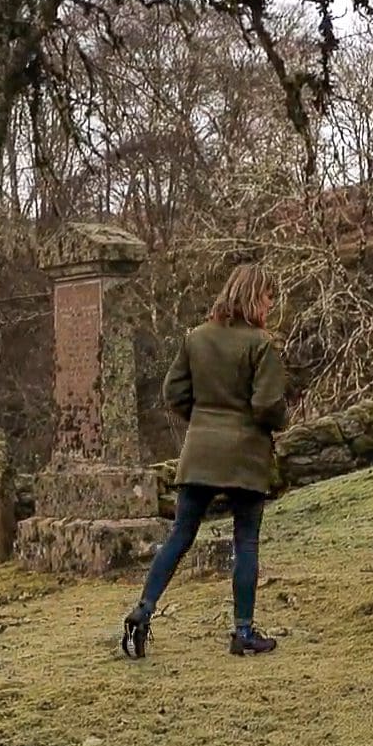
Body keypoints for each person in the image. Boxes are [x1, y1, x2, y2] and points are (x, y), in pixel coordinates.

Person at [121, 265, 288, 659]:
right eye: (267, 298)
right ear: (253, 297)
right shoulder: (261, 345)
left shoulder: (195, 338)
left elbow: (173, 391)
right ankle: (243, 632)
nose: (270, 305)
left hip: (199, 453)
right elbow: (267, 405)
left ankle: (142, 612)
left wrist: (202, 419)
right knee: (245, 539)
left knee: (180, 534)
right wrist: (276, 419)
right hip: (245, 455)